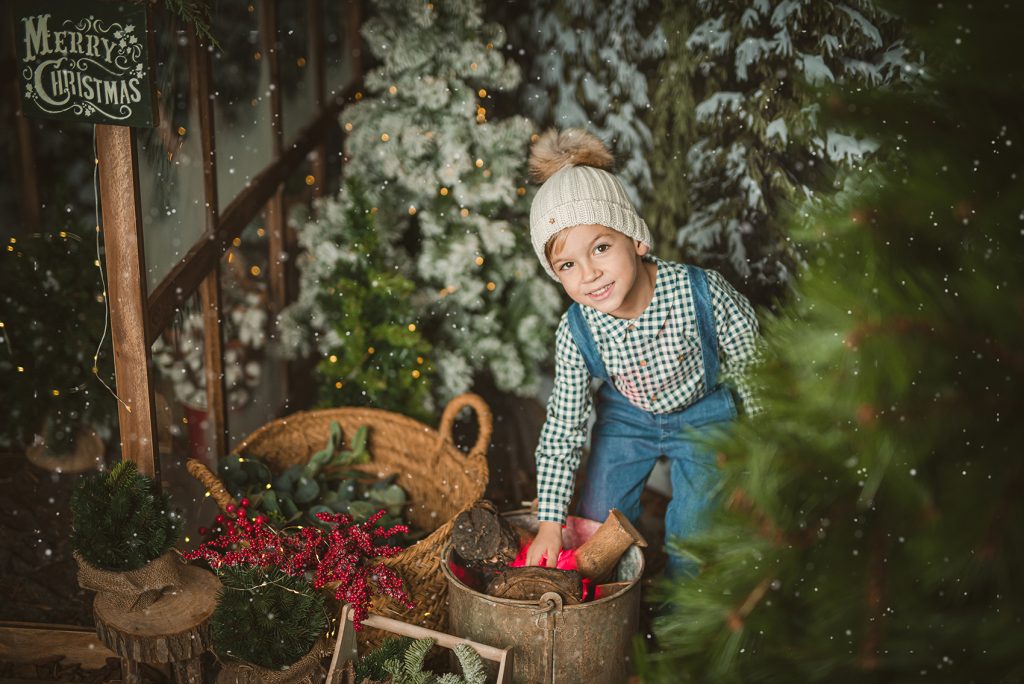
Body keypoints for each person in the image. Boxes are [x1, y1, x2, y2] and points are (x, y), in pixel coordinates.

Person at [523, 128, 760, 577]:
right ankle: (608, 615)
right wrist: (550, 523)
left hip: (704, 412)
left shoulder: (701, 294)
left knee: (696, 533)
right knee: (595, 526)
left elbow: (754, 370)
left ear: (636, 240)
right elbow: (564, 425)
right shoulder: (576, 331)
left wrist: (760, 456)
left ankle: (679, 629)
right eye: (568, 265)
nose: (590, 274)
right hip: (628, 416)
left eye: (601, 248)